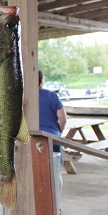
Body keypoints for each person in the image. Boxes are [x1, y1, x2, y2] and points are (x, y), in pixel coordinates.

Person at [38, 70, 67, 206]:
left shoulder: (24, 96)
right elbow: (63, 118)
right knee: (55, 173)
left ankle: (38, 203)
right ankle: (56, 205)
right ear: (42, 80)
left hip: (31, 139)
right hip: (52, 138)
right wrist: (58, 131)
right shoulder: (52, 96)